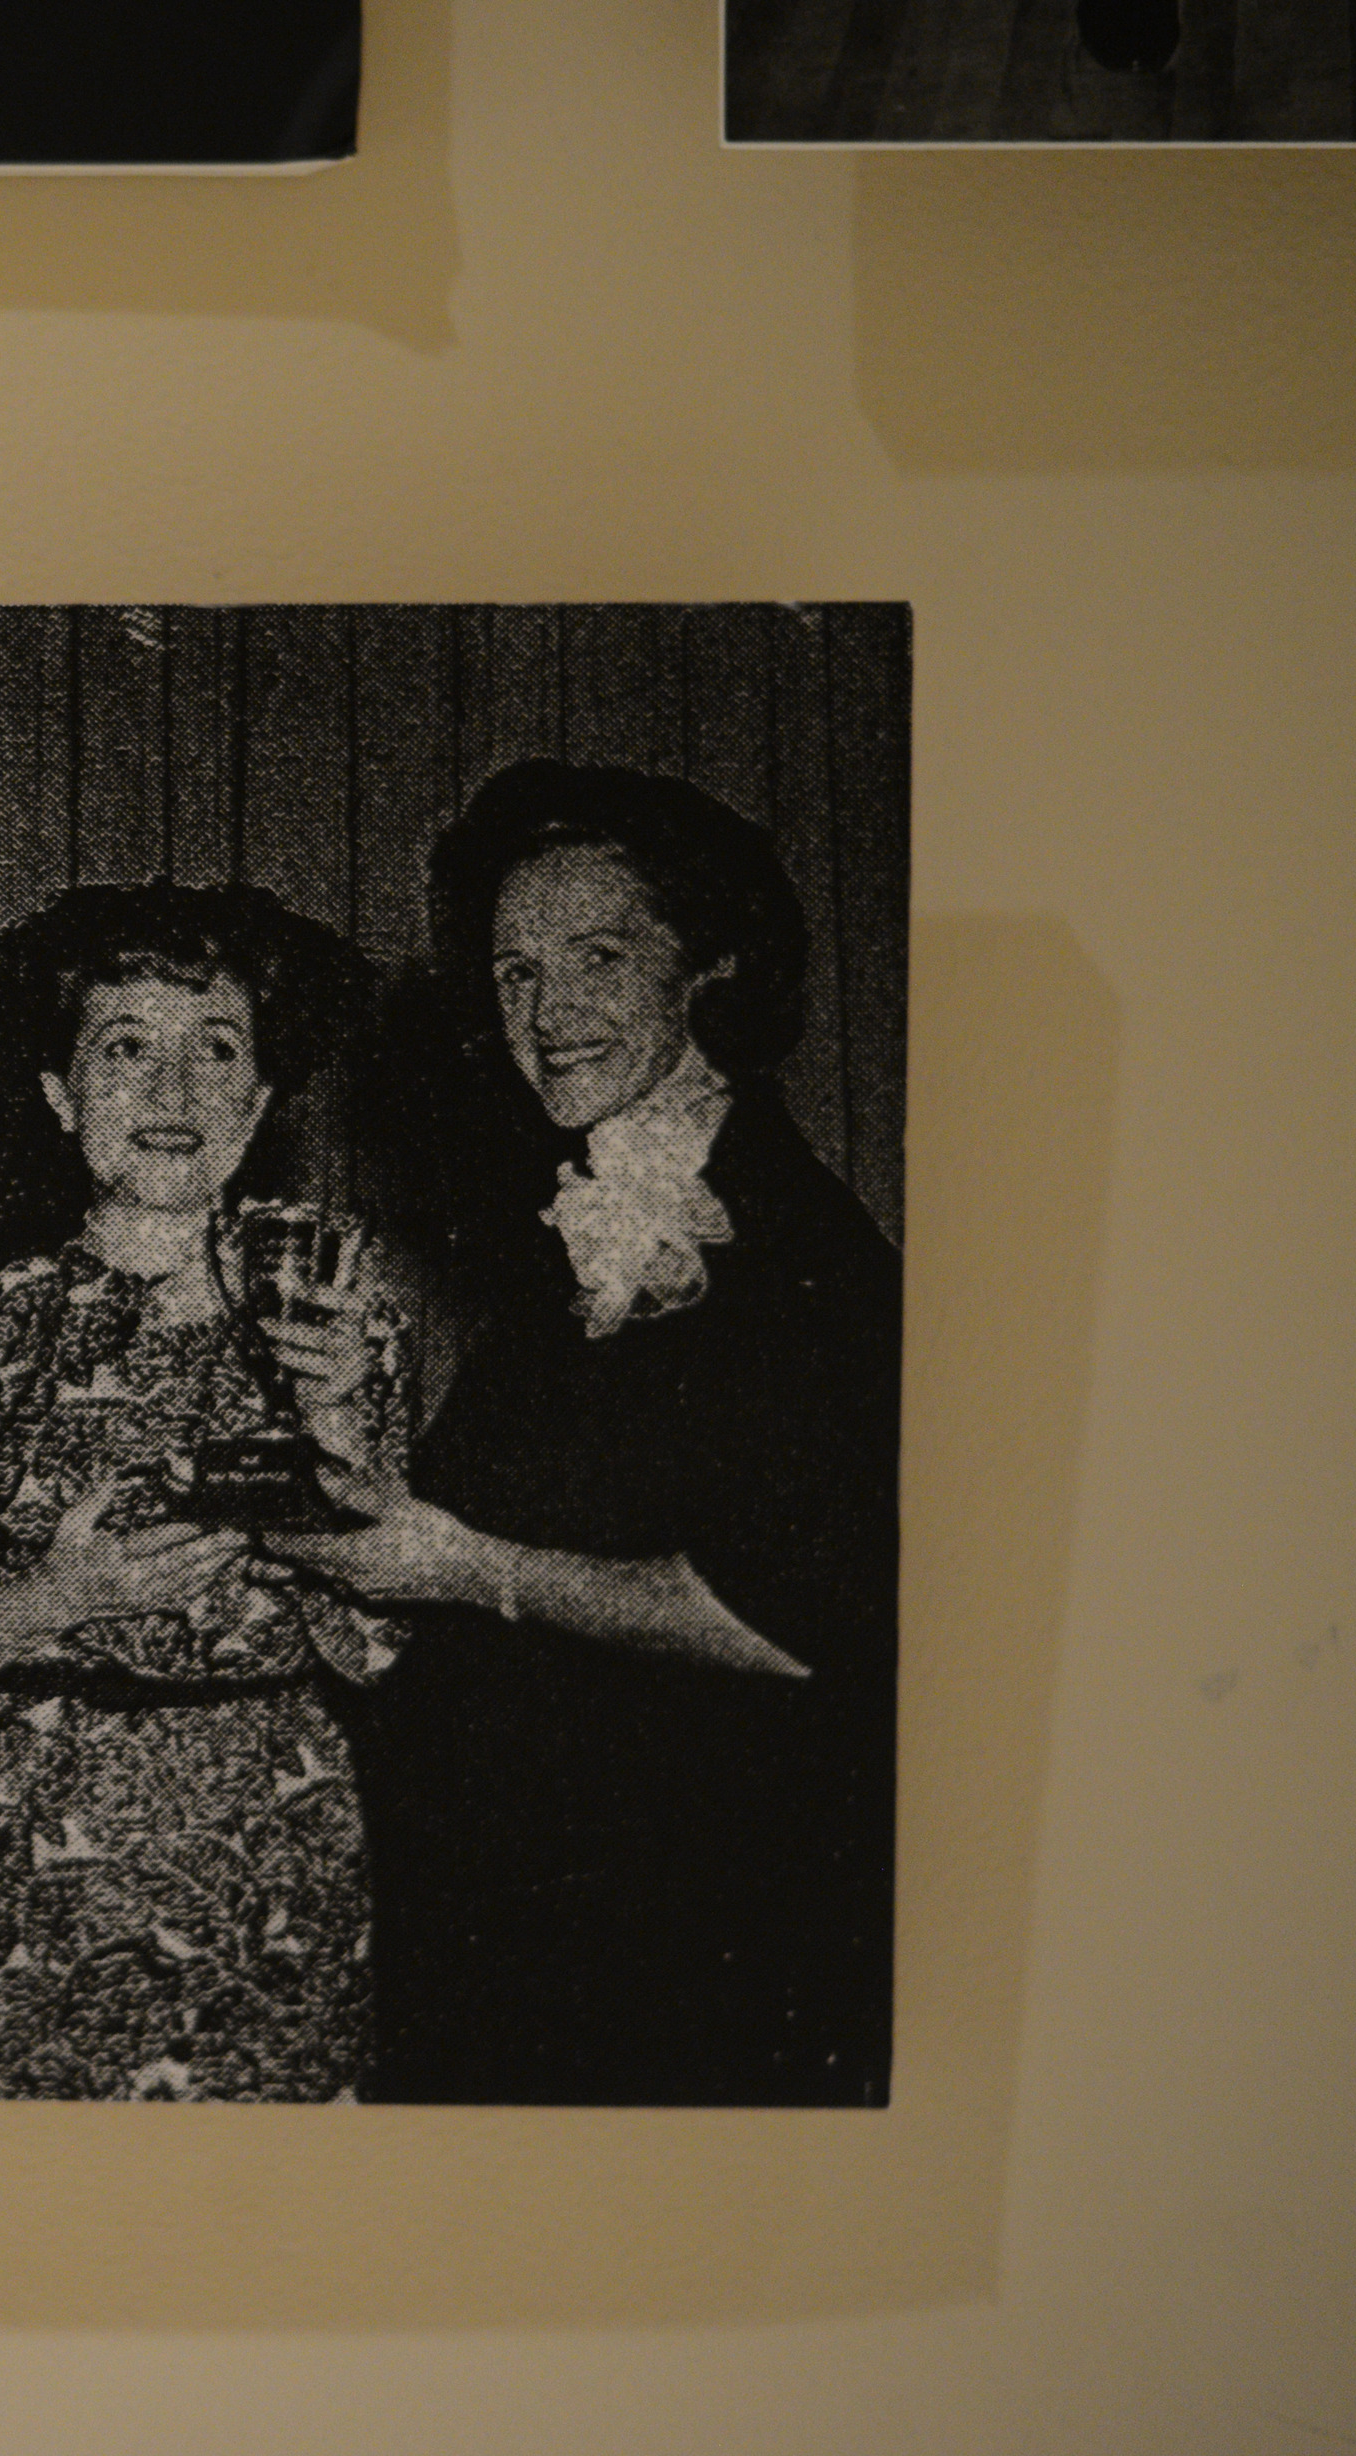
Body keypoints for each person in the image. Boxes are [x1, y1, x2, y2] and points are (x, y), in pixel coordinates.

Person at [265, 760, 902, 2103]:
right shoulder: (582, 1227)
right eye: (511, 973)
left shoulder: (805, 1255)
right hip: (544, 1907)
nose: (548, 1013)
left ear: (708, 974)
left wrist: (466, 1569)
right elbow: (494, 1529)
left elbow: (792, 1622)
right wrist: (351, 1463)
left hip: (700, 1922)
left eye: (598, 957)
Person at [0, 880, 399, 2101]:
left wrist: (333, 1414)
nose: (171, 1091)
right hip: (25, 1847)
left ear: (259, 1099)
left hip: (269, 1840)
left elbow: (375, 1647)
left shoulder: (342, 1314)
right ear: (58, 1095)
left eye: (215, 1050)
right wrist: (53, 1594)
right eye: (123, 1048)